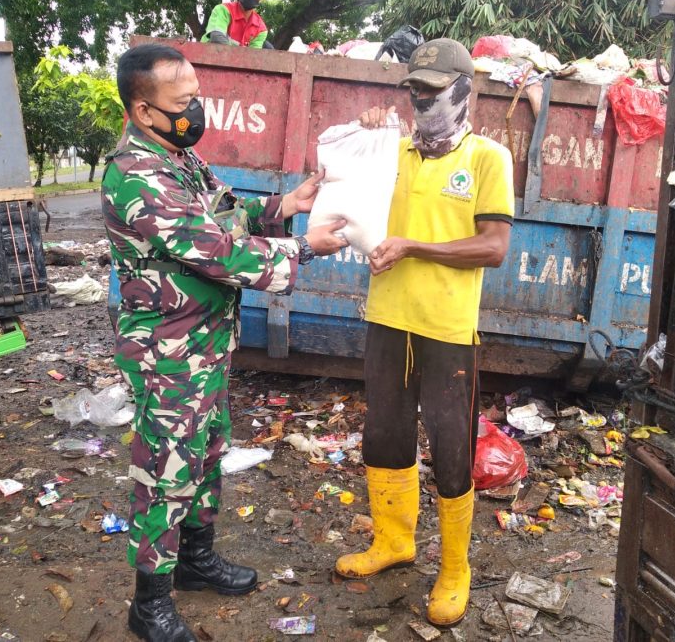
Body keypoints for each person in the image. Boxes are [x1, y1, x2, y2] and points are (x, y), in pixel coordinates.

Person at [102, 42, 347, 642]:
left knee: (206, 454)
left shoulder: (181, 159)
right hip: (167, 353)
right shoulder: (135, 177)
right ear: (143, 111)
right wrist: (305, 246)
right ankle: (149, 602)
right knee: (164, 471)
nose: (195, 112)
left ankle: (195, 560)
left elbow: (225, 217)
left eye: (197, 98)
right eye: (183, 103)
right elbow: (217, 251)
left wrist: (286, 204)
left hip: (205, 343)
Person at [334, 38, 514, 627]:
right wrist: (364, 133)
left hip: (447, 331)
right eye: (413, 90)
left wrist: (414, 246)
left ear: (466, 91)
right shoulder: (393, 152)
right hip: (388, 320)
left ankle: (455, 568)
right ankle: (394, 541)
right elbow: (342, 187)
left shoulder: (487, 158)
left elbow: (493, 246)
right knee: (384, 437)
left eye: (433, 91)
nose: (421, 101)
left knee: (452, 449)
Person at [201, 0, 269, 49]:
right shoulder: (223, 10)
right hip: (208, 56)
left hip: (237, 59)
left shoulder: (261, 28)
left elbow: (253, 55)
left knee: (268, 46)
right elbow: (217, 37)